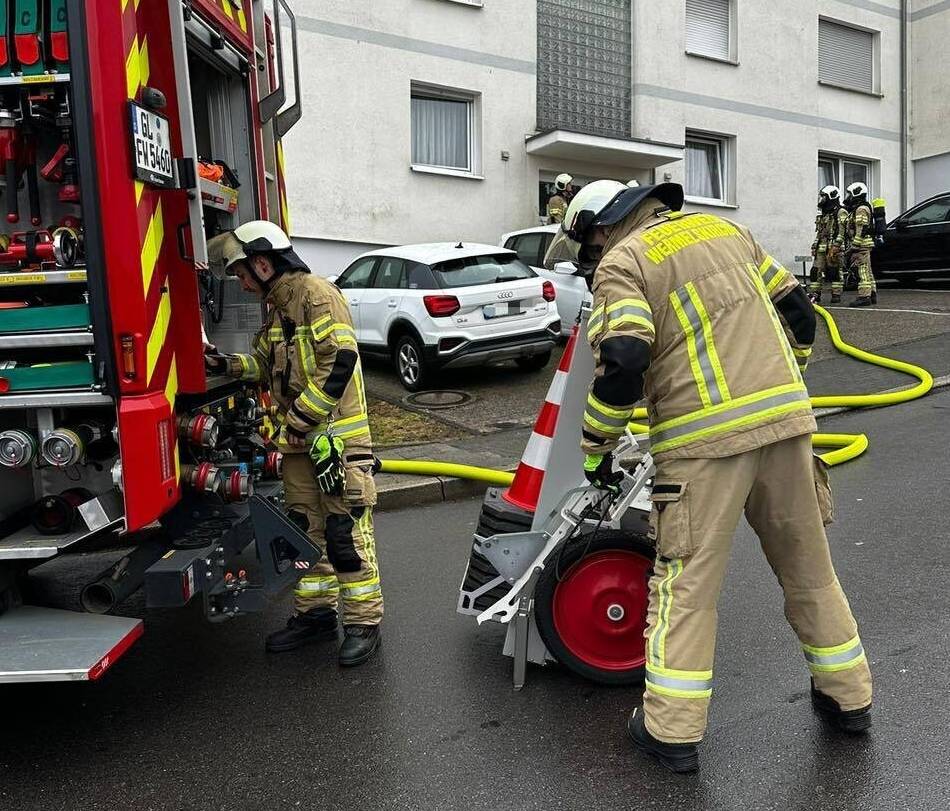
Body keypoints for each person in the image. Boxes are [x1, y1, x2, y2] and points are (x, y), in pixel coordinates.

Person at [559, 180, 872, 774]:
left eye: (588, 247)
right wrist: (786, 384)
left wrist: (597, 446)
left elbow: (624, 357)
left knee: (686, 587)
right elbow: (801, 311)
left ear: (602, 228)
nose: (592, 259)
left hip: (702, 449)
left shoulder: (624, 263)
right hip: (786, 430)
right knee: (811, 571)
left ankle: (671, 731)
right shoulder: (730, 232)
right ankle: (848, 699)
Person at [205, 221, 383, 667]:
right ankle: (316, 616)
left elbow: (339, 362)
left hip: (335, 446)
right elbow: (262, 366)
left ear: (264, 263)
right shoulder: (277, 311)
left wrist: (300, 422)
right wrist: (224, 364)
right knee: (303, 533)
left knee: (345, 534)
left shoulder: (317, 296)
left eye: (243, 273)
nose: (241, 283)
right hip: (300, 448)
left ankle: (363, 622)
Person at [844, 182, 878, 307]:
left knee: (862, 270)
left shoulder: (860, 209)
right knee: (868, 270)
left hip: (861, 244)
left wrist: (855, 245)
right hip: (864, 243)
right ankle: (872, 294)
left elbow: (861, 228)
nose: (848, 197)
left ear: (856, 193)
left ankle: (864, 296)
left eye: (849, 194)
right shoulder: (861, 207)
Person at [809, 186, 844, 304]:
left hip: (833, 246)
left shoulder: (840, 212)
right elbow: (819, 232)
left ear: (831, 196)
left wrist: (837, 246)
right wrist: (814, 245)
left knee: (834, 271)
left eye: (824, 196)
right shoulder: (823, 214)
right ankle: (815, 294)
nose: (822, 199)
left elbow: (842, 231)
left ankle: (836, 294)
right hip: (822, 246)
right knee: (815, 270)